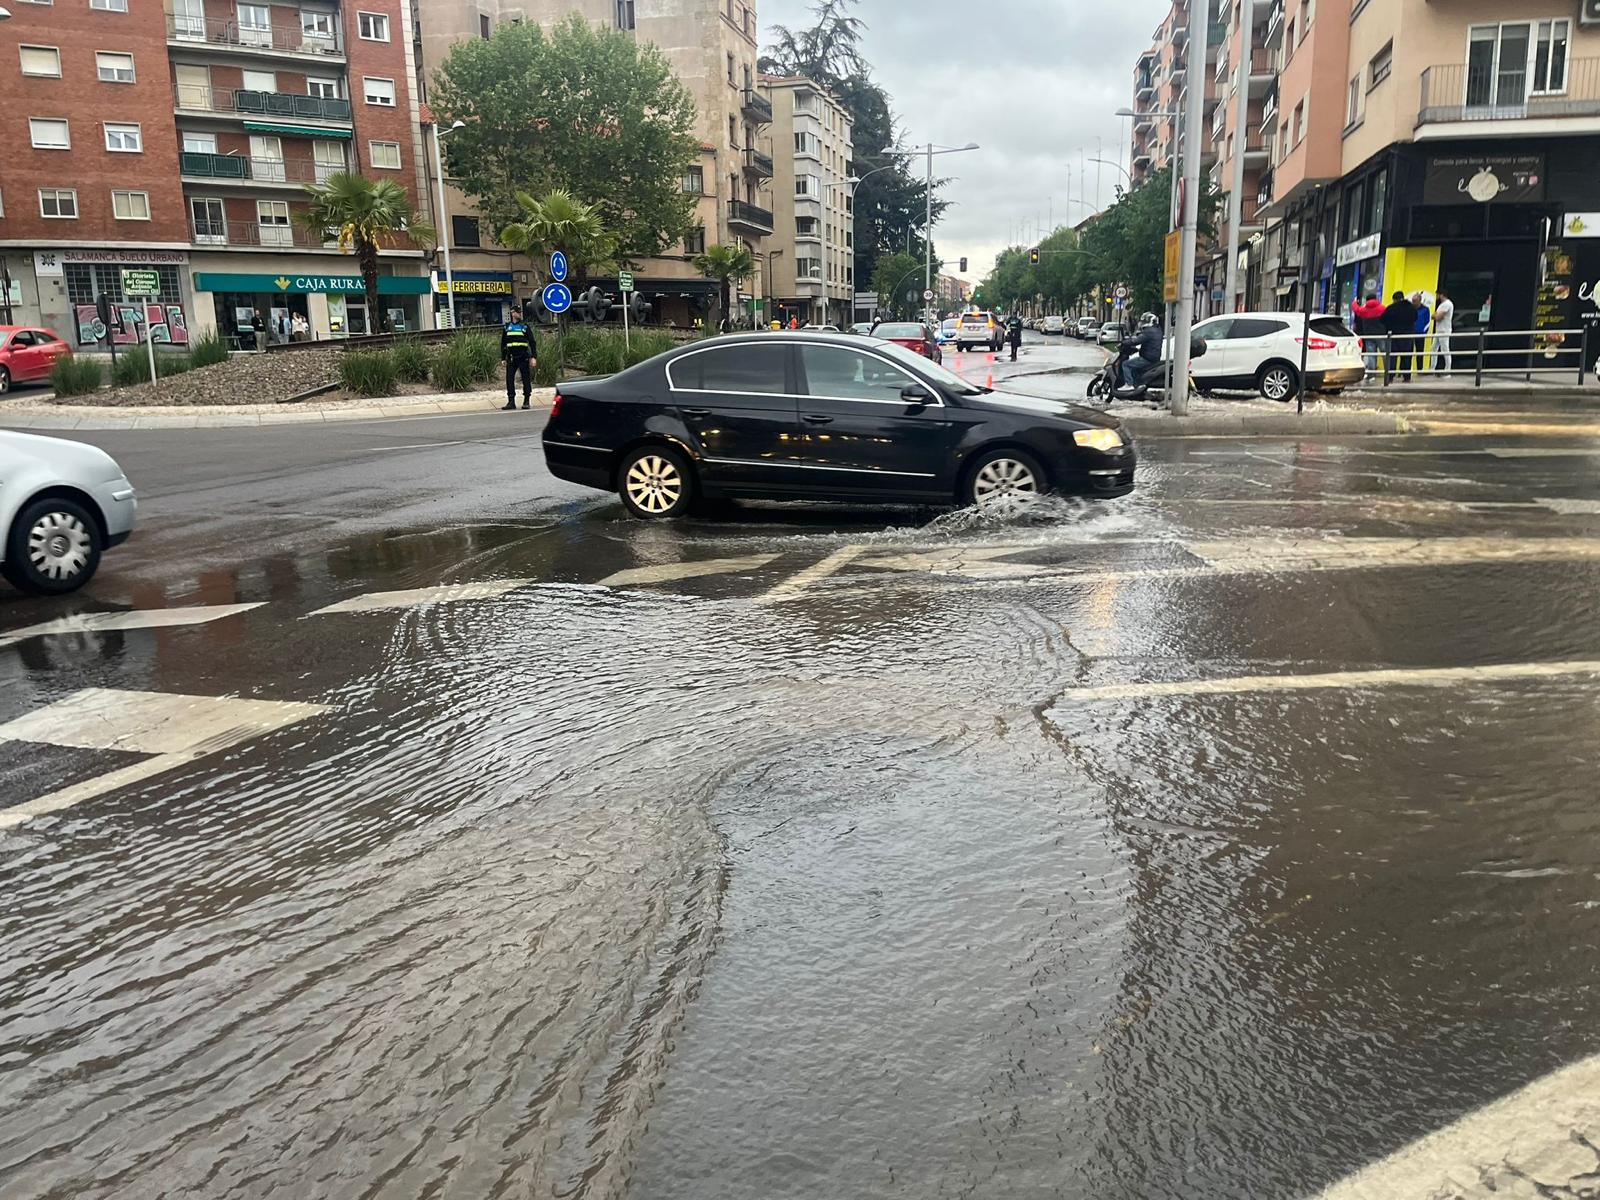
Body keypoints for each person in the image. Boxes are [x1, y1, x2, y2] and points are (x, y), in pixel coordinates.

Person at [500, 307, 537, 410]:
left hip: (523, 356)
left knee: (526, 378)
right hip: (511, 357)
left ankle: (526, 401)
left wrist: (533, 357)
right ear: (513, 313)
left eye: (520, 312)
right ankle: (511, 402)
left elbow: (532, 343)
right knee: (509, 379)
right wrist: (503, 358)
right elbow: (503, 343)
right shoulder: (507, 327)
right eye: (518, 312)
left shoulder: (524, 327)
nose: (520, 314)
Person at [1381, 291, 1417, 383]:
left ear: (1394, 299)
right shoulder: (1411, 308)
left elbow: (1382, 319)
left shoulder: (1391, 308)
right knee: (1406, 357)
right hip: (1408, 335)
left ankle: (1390, 377)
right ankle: (1406, 377)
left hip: (1394, 335)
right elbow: (1415, 317)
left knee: (1392, 357)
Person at [1121, 312, 1163, 389]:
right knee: (1135, 368)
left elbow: (1136, 340)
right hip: (1154, 356)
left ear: (1149, 322)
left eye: (1144, 321)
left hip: (1147, 358)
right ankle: (1137, 385)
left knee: (1126, 364)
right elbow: (1150, 344)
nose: (1141, 323)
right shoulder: (1157, 330)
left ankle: (1129, 385)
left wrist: (1124, 342)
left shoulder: (1149, 331)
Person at [1353, 289, 1386, 375]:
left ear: (1367, 300)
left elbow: (1356, 309)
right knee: (1385, 353)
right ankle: (1388, 373)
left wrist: (1354, 302)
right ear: (1376, 299)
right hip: (1381, 335)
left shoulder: (1364, 310)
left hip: (1369, 335)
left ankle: (1372, 374)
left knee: (1371, 355)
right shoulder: (1382, 308)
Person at [1432, 288, 1454, 375]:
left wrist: (1435, 315)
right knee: (1433, 348)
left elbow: (1437, 317)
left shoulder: (1447, 304)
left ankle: (1447, 370)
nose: (1436, 296)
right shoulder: (1441, 305)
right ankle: (1432, 368)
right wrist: (1435, 315)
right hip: (1439, 330)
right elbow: (1434, 315)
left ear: (1441, 295)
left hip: (1444, 330)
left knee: (1445, 349)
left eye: (1437, 294)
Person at [1411, 292, 1432, 376]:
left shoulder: (1425, 309)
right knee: (1409, 352)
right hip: (1410, 332)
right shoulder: (1410, 308)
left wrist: (1424, 332)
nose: (1413, 303)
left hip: (1420, 333)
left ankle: (1419, 370)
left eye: (1415, 301)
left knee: (1420, 352)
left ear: (1419, 300)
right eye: (1412, 301)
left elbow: (1428, 322)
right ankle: (1408, 370)